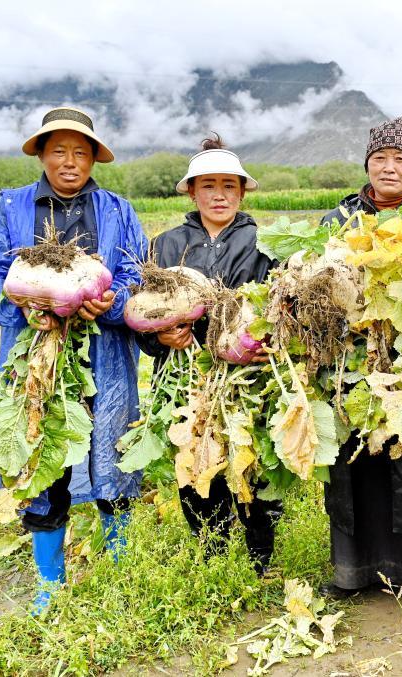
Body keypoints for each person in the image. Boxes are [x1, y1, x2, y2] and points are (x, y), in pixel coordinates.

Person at [0, 107, 147, 614]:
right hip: (36, 361)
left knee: (114, 458)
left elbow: (135, 277)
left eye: (81, 152)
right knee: (43, 466)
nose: (70, 161)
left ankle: (119, 567)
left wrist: (108, 303)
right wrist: (27, 304)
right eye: (59, 151)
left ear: (94, 158)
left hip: (106, 360)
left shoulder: (119, 211)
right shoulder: (8, 210)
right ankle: (50, 582)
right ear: (42, 154)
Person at [317, 117, 402, 612]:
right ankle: (352, 574)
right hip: (350, 361)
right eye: (380, 159)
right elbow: (318, 280)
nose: (390, 167)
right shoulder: (341, 216)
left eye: (401, 159)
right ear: (367, 166)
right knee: (355, 465)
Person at [138, 134, 281, 573]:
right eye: (207, 185)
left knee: (250, 461)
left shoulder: (266, 243)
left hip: (246, 379)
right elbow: (145, 309)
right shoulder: (164, 245)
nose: (219, 195)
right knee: (196, 460)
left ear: (241, 191)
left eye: (228, 186)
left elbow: (282, 309)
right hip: (185, 375)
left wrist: (271, 344)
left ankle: (260, 558)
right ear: (191, 191)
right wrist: (158, 340)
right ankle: (213, 554)